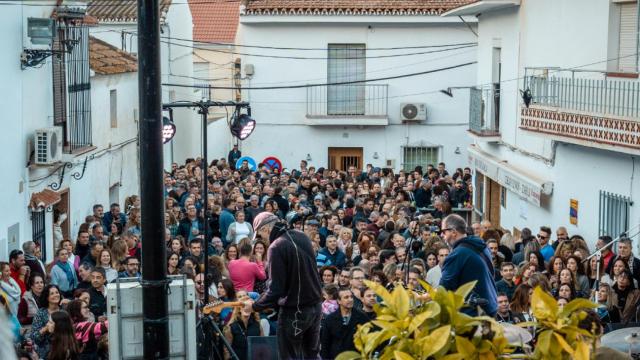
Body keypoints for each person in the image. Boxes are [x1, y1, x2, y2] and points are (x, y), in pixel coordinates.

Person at [242, 212, 322, 359]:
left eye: (260, 235)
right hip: (315, 307)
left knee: (288, 356)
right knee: (312, 355)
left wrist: (254, 306)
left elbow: (275, 290)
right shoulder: (301, 236)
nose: (262, 239)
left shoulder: (276, 247)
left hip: (294, 311)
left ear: (266, 229)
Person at [439, 214, 498, 316]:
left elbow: (443, 290)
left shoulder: (458, 254)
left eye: (444, 231)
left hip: (471, 315)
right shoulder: (482, 246)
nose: (442, 235)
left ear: (453, 232)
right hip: (490, 307)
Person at [320, 288, 369, 359]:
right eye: (346, 297)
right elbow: (325, 344)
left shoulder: (362, 317)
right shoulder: (330, 319)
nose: (350, 299)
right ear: (339, 301)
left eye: (351, 297)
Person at [30, 285, 63, 359]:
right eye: (52, 293)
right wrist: (45, 328)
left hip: (63, 349)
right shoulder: (41, 313)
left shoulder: (64, 310)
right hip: (46, 352)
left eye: (57, 292)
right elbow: (33, 337)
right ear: (47, 297)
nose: (56, 295)